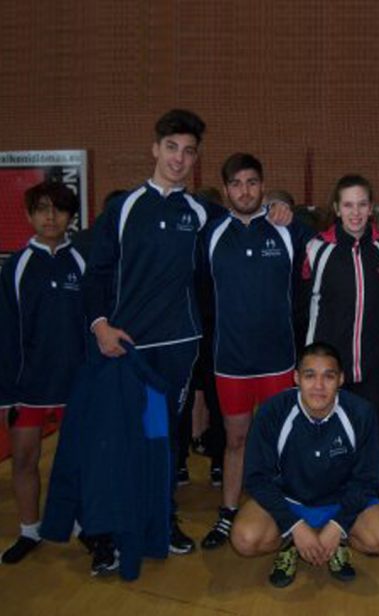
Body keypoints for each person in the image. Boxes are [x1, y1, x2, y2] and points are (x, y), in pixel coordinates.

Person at [81, 109, 220, 573]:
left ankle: (160, 518)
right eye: (172, 148)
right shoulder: (123, 208)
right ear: (155, 149)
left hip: (177, 348)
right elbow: (96, 274)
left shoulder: (199, 212)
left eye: (189, 151)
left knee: (162, 438)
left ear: (195, 158)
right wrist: (100, 326)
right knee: (116, 439)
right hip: (126, 349)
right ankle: (104, 532)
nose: (179, 158)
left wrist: (277, 212)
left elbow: (246, 221)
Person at [200, 153, 312, 550]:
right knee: (235, 440)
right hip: (230, 361)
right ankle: (228, 513)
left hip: (278, 360)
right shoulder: (210, 234)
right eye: (236, 184)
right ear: (226, 189)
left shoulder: (288, 229)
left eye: (251, 182)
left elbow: (333, 244)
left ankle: (288, 514)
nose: (244, 191)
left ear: (263, 186)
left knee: (282, 441)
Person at [230, 342, 379, 587]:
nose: (319, 386)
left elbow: (368, 480)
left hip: (341, 502)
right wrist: (294, 526)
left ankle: (337, 541)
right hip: (289, 502)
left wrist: (338, 525)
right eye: (310, 376)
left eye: (328, 377)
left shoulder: (361, 413)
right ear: (296, 378)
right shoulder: (273, 412)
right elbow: (257, 479)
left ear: (341, 379)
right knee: (245, 539)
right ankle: (291, 542)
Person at [0, 181, 86, 564]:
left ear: (71, 216)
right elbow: (5, 333)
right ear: (29, 215)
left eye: (59, 209)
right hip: (28, 387)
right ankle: (29, 530)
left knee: (79, 460)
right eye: (42, 209)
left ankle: (82, 524)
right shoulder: (16, 267)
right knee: (23, 459)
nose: (51, 217)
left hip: (76, 385)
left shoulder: (82, 262)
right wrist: (6, 394)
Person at [300, 175, 379, 456]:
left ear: (371, 207)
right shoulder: (318, 249)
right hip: (331, 370)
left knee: (371, 445)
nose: (355, 212)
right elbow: (307, 307)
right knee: (330, 449)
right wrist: (311, 362)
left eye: (362, 204)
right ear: (337, 208)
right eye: (348, 205)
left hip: (374, 370)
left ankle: (368, 486)